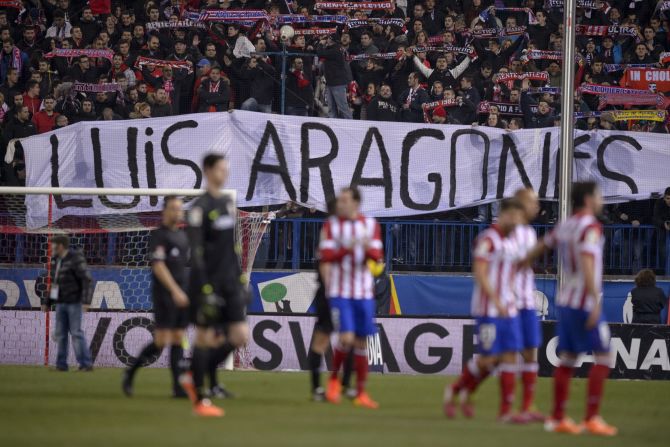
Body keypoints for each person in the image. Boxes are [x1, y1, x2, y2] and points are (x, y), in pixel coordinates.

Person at [526, 182, 617, 436]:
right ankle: (591, 418)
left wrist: (520, 263)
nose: (601, 200)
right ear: (588, 199)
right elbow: (588, 262)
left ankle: (557, 418)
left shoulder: (567, 224)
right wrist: (593, 302)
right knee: (604, 357)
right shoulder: (590, 226)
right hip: (583, 303)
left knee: (568, 359)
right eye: (599, 196)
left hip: (566, 301)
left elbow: (543, 244)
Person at [179, 153, 249, 417]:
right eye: (220, 169)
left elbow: (231, 248)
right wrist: (205, 289)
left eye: (226, 169)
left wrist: (241, 280)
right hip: (207, 283)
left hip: (230, 282)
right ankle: (200, 398)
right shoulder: (200, 207)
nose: (224, 173)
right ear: (208, 170)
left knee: (239, 336)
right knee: (205, 337)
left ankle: (195, 374)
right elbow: (196, 252)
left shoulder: (227, 204)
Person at [444, 198, 525, 422]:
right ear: (506, 214)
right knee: (489, 360)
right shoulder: (487, 239)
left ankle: (505, 412)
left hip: (508, 309)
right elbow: (479, 272)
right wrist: (496, 299)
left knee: (509, 357)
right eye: (516, 216)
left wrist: (511, 299)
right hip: (488, 309)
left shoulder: (512, 242)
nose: (518, 221)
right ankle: (457, 389)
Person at [320, 187, 383, 409]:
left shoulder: (370, 225)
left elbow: (377, 255)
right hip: (340, 292)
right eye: (340, 200)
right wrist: (347, 249)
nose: (341, 204)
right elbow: (326, 255)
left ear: (356, 203)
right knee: (346, 338)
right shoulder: (332, 225)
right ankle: (334, 380)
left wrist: (365, 248)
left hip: (364, 293)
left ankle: (361, 392)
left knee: (361, 342)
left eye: (345, 200)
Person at [123, 196, 190, 398]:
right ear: (165, 211)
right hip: (164, 295)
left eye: (179, 209)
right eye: (173, 209)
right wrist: (175, 291)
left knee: (179, 337)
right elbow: (159, 266)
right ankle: (130, 373)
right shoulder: (159, 235)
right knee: (161, 341)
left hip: (181, 294)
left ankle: (178, 388)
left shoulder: (183, 236)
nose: (177, 212)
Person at [306, 199, 354, 402]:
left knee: (348, 339)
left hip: (345, 293)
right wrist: (332, 293)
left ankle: (344, 385)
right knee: (322, 340)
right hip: (330, 295)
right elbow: (325, 266)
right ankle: (318, 388)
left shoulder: (348, 234)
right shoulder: (329, 233)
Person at [510, 189, 544, 422]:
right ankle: (508, 408)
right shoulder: (507, 232)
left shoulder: (530, 233)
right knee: (505, 356)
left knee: (531, 353)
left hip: (527, 301)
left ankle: (527, 406)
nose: (538, 206)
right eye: (534, 202)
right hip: (508, 302)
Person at [40, 235, 93, 372]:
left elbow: (86, 280)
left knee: (76, 333)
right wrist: (48, 302)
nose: (51, 248)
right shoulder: (56, 260)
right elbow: (55, 284)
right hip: (61, 303)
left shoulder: (76, 258)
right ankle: (61, 365)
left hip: (74, 302)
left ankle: (85, 364)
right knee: (61, 334)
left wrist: (86, 301)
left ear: (60, 246)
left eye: (53, 245)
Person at [316, 33, 353, 119]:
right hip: (330, 83)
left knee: (343, 108)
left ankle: (350, 126)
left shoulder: (336, 49)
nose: (326, 40)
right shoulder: (333, 48)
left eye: (328, 38)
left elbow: (320, 53)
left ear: (331, 40)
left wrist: (321, 43)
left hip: (338, 84)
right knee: (331, 109)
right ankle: (334, 129)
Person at [653, 187, 670, 273]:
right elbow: (655, 218)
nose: (669, 201)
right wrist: (663, 224)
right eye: (668, 198)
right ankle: (663, 271)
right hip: (662, 231)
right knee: (663, 252)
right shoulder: (659, 203)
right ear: (664, 198)